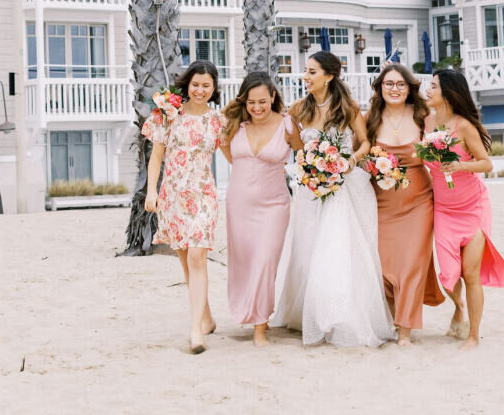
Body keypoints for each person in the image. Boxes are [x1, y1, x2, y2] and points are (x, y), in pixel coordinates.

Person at [271, 50, 394, 347]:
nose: (306, 76)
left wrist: (350, 161)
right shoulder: (298, 109)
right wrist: (311, 166)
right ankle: (309, 312)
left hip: (344, 185)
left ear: (329, 76)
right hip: (312, 186)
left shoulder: (348, 108)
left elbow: (364, 142)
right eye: (306, 71)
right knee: (309, 249)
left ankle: (341, 315)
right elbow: (298, 149)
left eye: (312, 72)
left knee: (339, 249)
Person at [424, 69, 504, 350]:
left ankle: (473, 335)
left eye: (433, 86)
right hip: (443, 209)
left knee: (470, 273)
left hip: (473, 207)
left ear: (448, 92)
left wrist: (460, 165)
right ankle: (458, 306)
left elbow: (486, 163)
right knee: (448, 275)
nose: (428, 90)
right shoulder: (426, 122)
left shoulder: (463, 125)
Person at [142, 61, 224, 354]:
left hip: (203, 196)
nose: (200, 90)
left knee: (198, 257)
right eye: (196, 84)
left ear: (214, 88)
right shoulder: (169, 115)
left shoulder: (218, 121)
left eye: (207, 85)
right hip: (172, 196)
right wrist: (151, 192)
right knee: (187, 261)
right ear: (187, 84)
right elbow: (156, 158)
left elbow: (235, 154)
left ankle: (195, 332)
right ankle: (207, 318)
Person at [364, 63, 445, 346]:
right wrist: (372, 165)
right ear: (380, 88)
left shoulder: (426, 117)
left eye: (400, 84)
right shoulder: (369, 119)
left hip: (419, 203)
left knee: (411, 265)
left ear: (409, 88)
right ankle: (390, 319)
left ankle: (406, 332)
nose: (394, 89)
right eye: (389, 84)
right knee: (384, 267)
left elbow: (438, 157)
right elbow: (359, 157)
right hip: (381, 204)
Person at [220, 72, 303, 346]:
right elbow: (229, 154)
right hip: (239, 204)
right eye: (251, 103)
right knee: (245, 261)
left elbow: (303, 156)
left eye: (263, 102)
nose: (257, 108)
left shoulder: (288, 125)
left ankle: (260, 327)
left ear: (273, 98)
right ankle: (249, 312)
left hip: (275, 205)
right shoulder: (235, 124)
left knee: (265, 262)